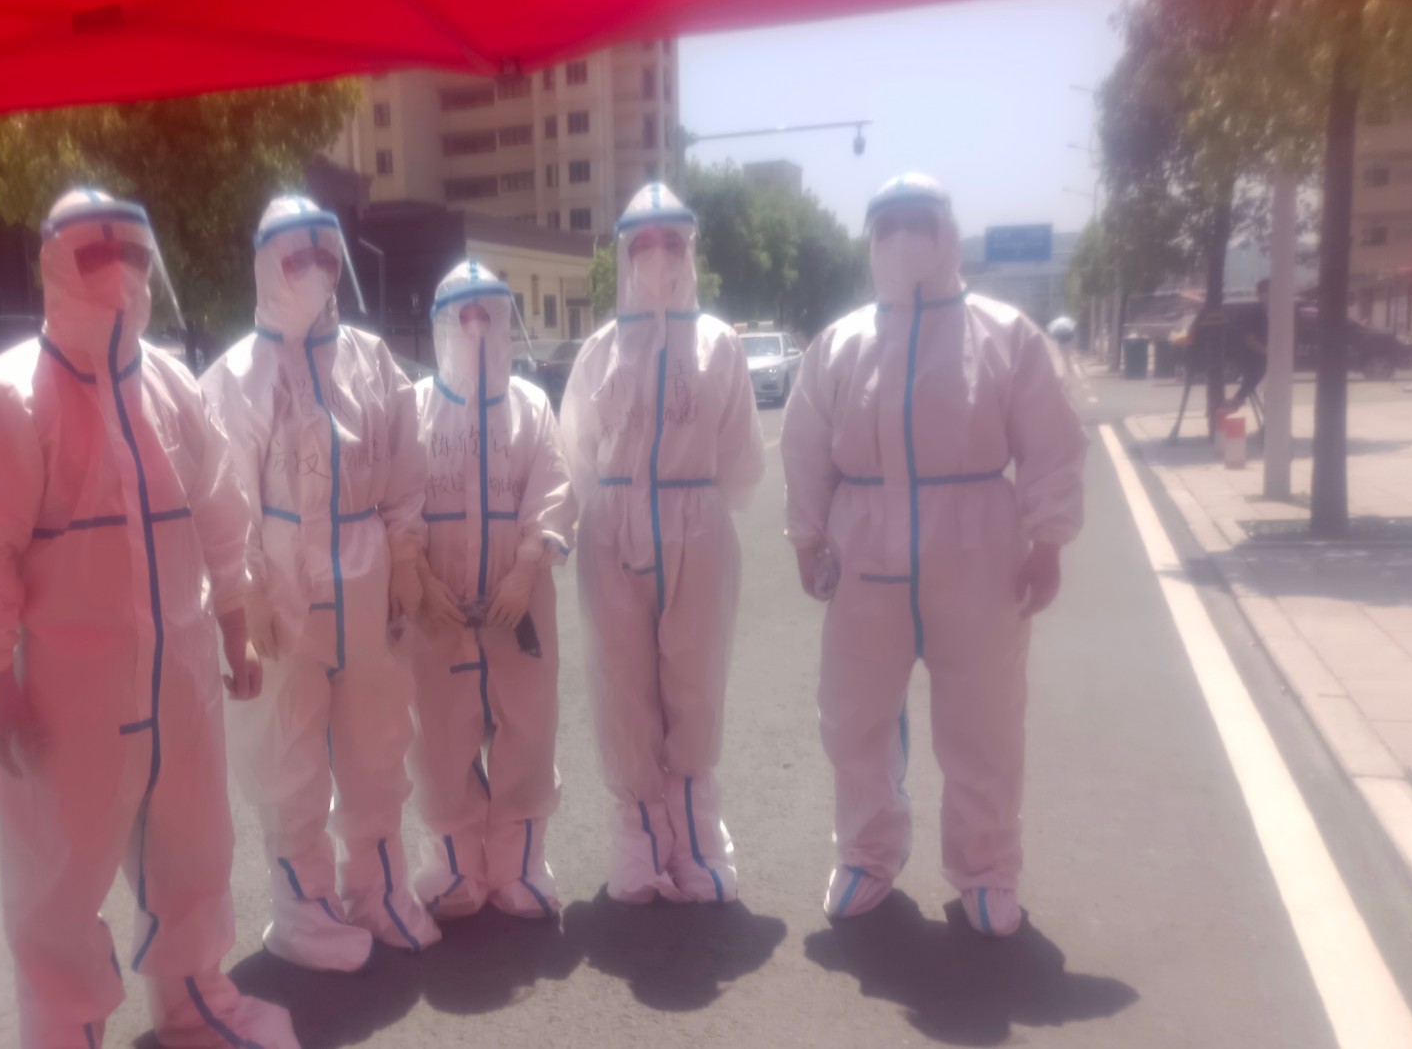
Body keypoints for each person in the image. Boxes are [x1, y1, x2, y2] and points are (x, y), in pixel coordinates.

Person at [0, 189, 298, 1048]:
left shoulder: (167, 386)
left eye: (134, 254)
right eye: (98, 255)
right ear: (55, 263)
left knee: (194, 848)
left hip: (180, 679)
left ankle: (196, 1001)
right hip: (69, 694)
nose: (121, 273)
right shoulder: (8, 399)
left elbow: (219, 510)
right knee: (58, 872)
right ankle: (63, 1030)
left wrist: (235, 626)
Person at [781, 173, 1087, 938]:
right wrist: (806, 536)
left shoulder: (1004, 334)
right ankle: (865, 854)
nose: (903, 238)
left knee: (984, 720)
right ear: (870, 239)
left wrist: (1048, 542)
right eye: (888, 225)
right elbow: (805, 448)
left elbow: (1050, 443)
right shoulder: (842, 343)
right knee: (855, 716)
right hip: (865, 552)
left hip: (976, 548)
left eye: (918, 221)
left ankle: (986, 869)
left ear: (947, 231)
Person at [201, 195, 441, 972]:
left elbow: (406, 465)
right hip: (283, 582)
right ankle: (302, 911)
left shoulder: (372, 359)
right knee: (288, 751)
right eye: (294, 258)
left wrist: (407, 554)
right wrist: (246, 591)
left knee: (379, 738)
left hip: (366, 570)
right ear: (266, 264)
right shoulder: (238, 375)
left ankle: (378, 889)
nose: (312, 272)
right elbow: (220, 493)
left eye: (324, 255)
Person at [558, 183, 766, 905]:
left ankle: (698, 833)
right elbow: (577, 448)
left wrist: (695, 509)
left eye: (670, 241)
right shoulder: (599, 350)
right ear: (623, 252)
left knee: (695, 678)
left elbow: (741, 451)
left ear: (689, 249)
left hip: (696, 520)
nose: (656, 255)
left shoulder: (719, 345)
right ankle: (639, 835)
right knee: (622, 683)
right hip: (612, 526)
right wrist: (609, 509)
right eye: (642, 242)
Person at [406, 261, 576, 920]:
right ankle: (453, 865)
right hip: (439, 615)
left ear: (506, 322)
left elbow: (553, 490)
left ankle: (521, 864)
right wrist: (420, 580)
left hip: (516, 608)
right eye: (463, 316)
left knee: (527, 731)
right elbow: (397, 501)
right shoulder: (415, 409)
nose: (476, 328)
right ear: (441, 324)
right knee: (439, 738)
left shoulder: (530, 406)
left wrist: (526, 569)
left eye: (488, 315)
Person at [1226, 280, 1270, 411]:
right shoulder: (1256, 312)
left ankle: (1238, 400)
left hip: (1253, 355)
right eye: (1269, 292)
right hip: (1248, 355)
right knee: (1259, 369)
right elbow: (1250, 340)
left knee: (1260, 370)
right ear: (1261, 294)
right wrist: (1269, 353)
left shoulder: (1267, 312)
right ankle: (1237, 400)